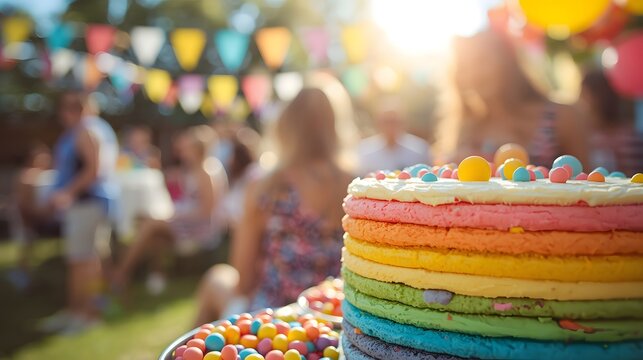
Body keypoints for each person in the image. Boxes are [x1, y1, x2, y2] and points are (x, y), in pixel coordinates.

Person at [194, 86, 354, 324]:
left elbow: (244, 281)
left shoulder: (265, 185)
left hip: (276, 321)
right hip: (334, 316)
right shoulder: (355, 187)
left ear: (285, 125)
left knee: (216, 279)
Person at [436, 30, 588, 166]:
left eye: (481, 61)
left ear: (506, 61)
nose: (473, 73)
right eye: (464, 67)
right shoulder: (464, 128)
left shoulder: (562, 116)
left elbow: (587, 186)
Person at [40, 89, 119, 334]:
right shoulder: (87, 130)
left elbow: (93, 170)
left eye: (67, 108)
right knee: (81, 260)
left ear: (79, 109)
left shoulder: (86, 131)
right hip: (85, 205)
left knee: (84, 260)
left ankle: (87, 314)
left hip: (88, 204)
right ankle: (75, 311)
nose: (62, 114)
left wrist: (67, 193)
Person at [112, 126, 226, 295]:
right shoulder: (193, 170)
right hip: (188, 223)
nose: (182, 151)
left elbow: (206, 212)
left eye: (186, 147)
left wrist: (176, 215)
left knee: (151, 224)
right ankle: (156, 275)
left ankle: (121, 274)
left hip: (201, 228)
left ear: (196, 149)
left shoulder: (206, 171)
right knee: (149, 225)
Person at [8, 144, 55, 289]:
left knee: (30, 247)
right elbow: (23, 203)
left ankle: (27, 275)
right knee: (25, 246)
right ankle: (22, 277)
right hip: (23, 217)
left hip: (33, 217)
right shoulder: (27, 176)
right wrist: (32, 216)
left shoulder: (45, 175)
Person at [580, 69, 643, 175]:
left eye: (584, 95)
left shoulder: (627, 138)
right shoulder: (581, 135)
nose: (580, 101)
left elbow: (633, 179)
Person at [357, 99, 431, 175]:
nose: (390, 126)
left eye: (394, 121)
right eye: (386, 121)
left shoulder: (420, 148)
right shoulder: (363, 149)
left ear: (404, 121)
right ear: (378, 122)